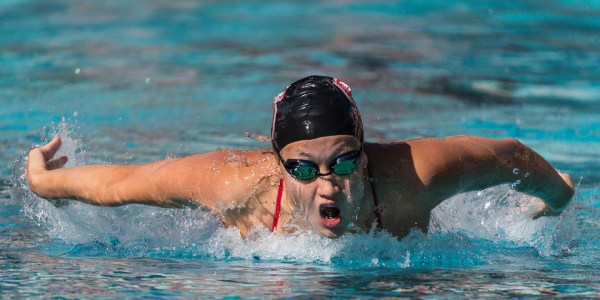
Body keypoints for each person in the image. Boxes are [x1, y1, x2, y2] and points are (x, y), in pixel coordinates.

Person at [26, 75, 574, 239]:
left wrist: (556, 201)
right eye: (304, 169)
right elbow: (122, 185)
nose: (327, 182)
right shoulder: (236, 186)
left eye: (343, 160)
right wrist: (44, 180)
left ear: (364, 150)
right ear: (279, 163)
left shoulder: (413, 176)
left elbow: (513, 157)